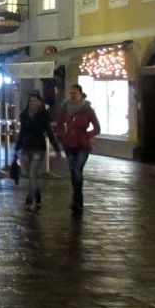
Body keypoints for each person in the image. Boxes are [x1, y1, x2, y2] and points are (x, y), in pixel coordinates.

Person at [53, 84, 100, 214]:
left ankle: (77, 199)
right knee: (73, 171)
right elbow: (59, 124)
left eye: (75, 93)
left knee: (77, 168)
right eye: (71, 93)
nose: (73, 96)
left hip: (83, 145)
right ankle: (76, 199)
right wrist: (61, 135)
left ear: (80, 94)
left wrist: (87, 135)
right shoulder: (65, 108)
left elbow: (97, 128)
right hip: (69, 144)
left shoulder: (87, 109)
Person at [14, 92, 60, 209]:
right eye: (30, 101)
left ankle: (29, 199)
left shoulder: (44, 115)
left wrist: (56, 148)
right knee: (29, 175)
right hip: (26, 147)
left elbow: (50, 132)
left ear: (39, 103)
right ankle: (37, 194)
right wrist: (17, 147)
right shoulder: (24, 115)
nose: (32, 103)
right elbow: (22, 132)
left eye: (34, 101)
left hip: (39, 148)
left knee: (32, 173)